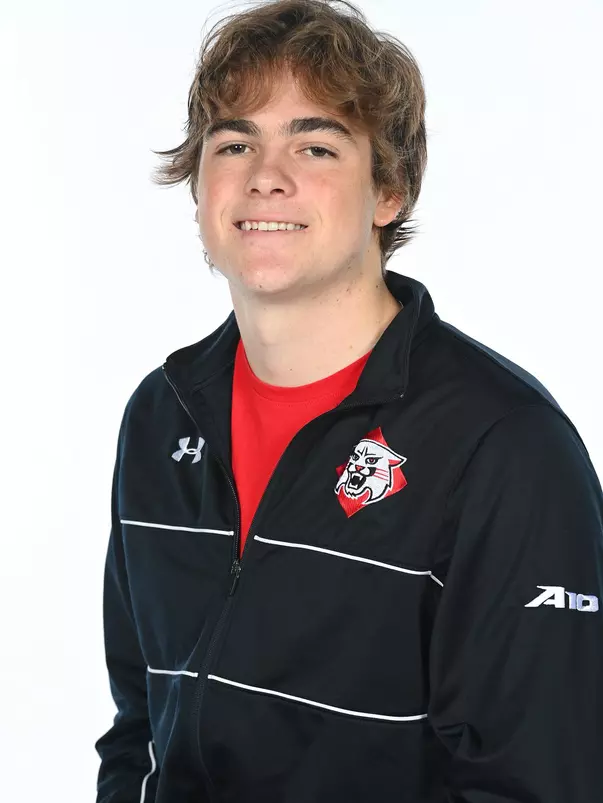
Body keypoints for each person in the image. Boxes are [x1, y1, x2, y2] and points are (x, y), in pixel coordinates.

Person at [94, 1, 603, 801]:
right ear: (199, 187)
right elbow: (140, 726)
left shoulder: (503, 446)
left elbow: (533, 780)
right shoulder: (161, 417)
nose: (267, 173)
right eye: (235, 142)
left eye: (316, 144)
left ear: (386, 192)